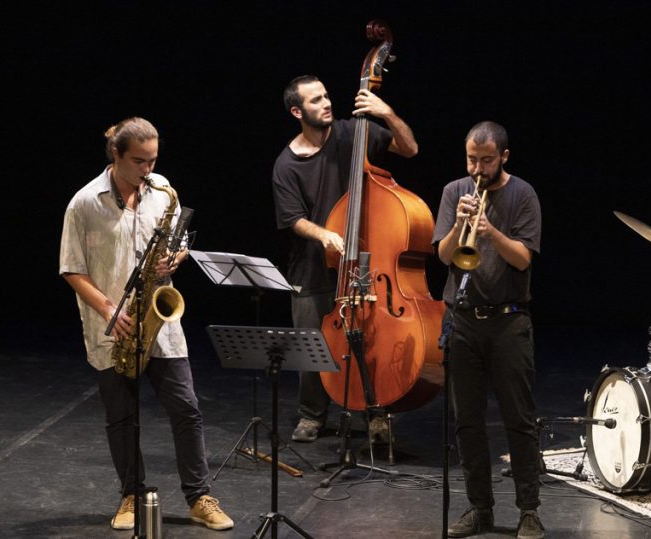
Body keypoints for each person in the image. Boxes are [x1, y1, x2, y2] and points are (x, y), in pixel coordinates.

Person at [59, 117, 233, 530]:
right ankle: (131, 496)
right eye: (139, 161)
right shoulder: (84, 203)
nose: (148, 170)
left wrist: (178, 258)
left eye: (153, 160)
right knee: (121, 416)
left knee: (187, 410)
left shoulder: (162, 192)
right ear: (115, 155)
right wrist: (108, 308)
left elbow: (178, 243)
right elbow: (70, 269)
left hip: (160, 322)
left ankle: (200, 497)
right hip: (114, 325)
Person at [272, 75, 418, 443]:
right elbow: (292, 219)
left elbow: (409, 149)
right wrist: (323, 233)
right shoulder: (286, 164)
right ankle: (312, 414)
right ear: (296, 111)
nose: (326, 103)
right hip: (312, 265)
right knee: (312, 342)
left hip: (366, 262)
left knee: (369, 338)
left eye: (326, 95)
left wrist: (387, 113)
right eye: (315, 100)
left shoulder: (355, 133)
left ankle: (375, 411)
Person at [434, 122, 544, 539]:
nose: (477, 169)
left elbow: (521, 260)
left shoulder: (523, 195)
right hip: (462, 319)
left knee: (519, 419)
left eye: (486, 160)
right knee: (468, 422)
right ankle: (479, 508)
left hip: (508, 322)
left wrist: (490, 231)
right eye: (471, 159)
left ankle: (529, 510)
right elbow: (445, 255)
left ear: (504, 157)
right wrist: (460, 226)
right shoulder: (453, 192)